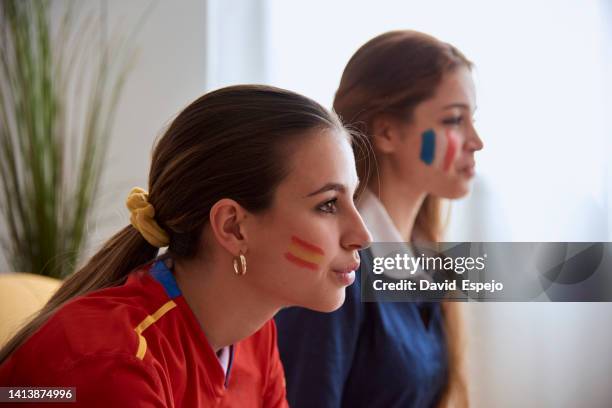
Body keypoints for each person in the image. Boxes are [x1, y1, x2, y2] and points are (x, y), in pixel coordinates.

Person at [0, 85, 371, 407]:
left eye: (352, 198)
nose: (364, 235)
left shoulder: (254, 333)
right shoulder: (113, 361)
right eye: (327, 205)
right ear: (233, 227)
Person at [275, 30, 484, 408]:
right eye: (454, 120)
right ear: (386, 132)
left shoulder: (427, 259)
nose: (476, 140)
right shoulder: (337, 269)